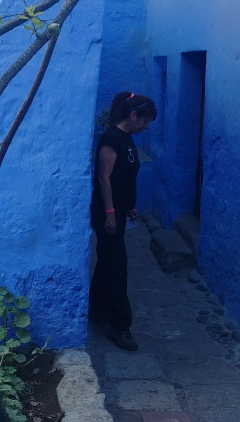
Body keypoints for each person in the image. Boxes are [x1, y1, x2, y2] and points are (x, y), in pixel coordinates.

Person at [89, 91, 156, 351]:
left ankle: (96, 309)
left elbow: (123, 178)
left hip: (118, 211)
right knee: (117, 266)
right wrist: (110, 213)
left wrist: (129, 207)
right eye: (145, 121)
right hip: (107, 214)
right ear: (132, 115)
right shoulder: (111, 140)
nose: (146, 126)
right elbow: (105, 179)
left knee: (108, 261)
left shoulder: (127, 139)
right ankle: (120, 326)